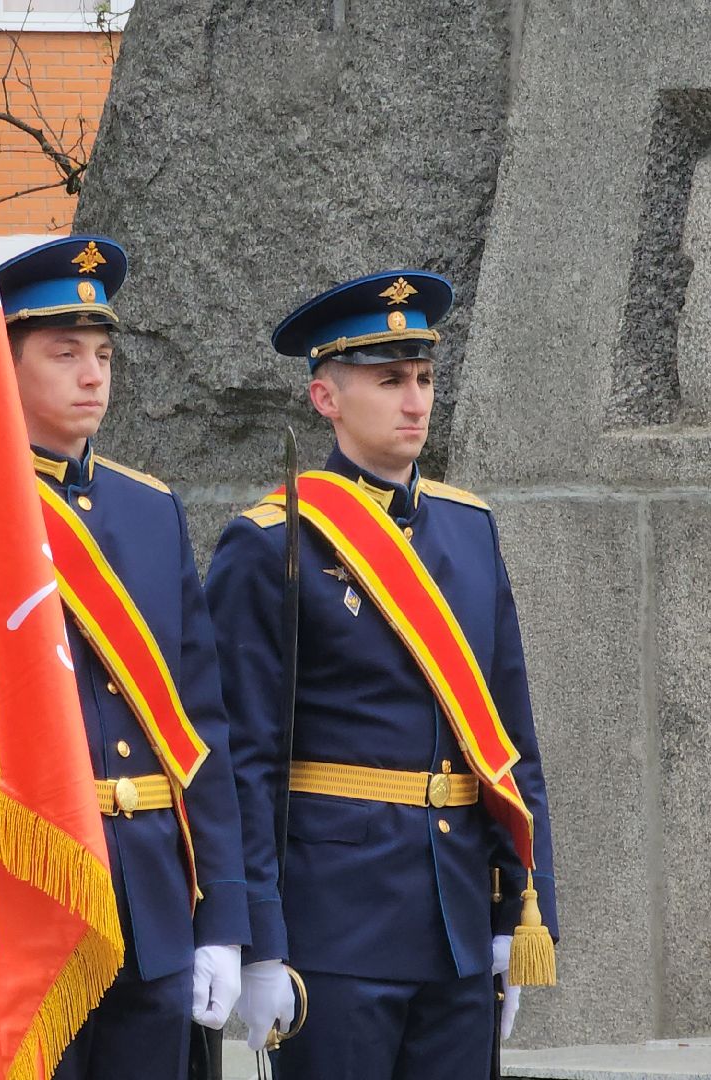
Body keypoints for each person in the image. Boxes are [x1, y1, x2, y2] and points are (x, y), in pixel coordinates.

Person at [0, 237, 249, 1079]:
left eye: (103, 354)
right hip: (18, 908)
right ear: (3, 367)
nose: (92, 374)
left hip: (151, 901)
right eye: (64, 352)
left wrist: (222, 914)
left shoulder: (150, 510)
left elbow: (200, 727)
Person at [204, 272, 558, 1079]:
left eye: (426, 378)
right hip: (335, 926)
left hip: (455, 920)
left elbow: (511, 738)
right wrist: (257, 941)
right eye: (390, 379)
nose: (415, 401)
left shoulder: (469, 531)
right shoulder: (271, 544)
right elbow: (242, 762)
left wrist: (521, 908)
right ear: (325, 397)